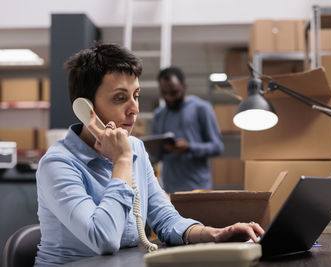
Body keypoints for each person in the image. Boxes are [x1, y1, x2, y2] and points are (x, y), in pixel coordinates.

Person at [34, 42, 264, 266]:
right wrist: (122, 161)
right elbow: (103, 239)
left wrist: (213, 235)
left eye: (136, 95)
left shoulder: (135, 148)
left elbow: (166, 219)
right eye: (120, 98)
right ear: (86, 109)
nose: (134, 109)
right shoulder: (58, 164)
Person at [152, 66, 224, 194]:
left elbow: (217, 147)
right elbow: (156, 155)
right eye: (164, 93)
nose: (169, 98)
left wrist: (190, 147)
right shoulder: (159, 115)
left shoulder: (202, 108)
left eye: (174, 92)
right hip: (170, 190)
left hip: (198, 189)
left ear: (184, 86)